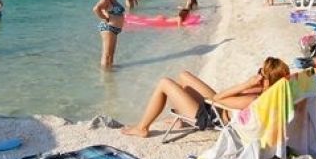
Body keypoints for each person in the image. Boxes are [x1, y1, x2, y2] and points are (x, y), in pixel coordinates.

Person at [121, 58, 290, 137]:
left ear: (267, 81)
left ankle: (142, 128)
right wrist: (253, 86)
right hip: (216, 108)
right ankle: (183, 119)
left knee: (164, 83)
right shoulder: (265, 94)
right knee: (184, 75)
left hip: (209, 116)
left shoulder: (253, 100)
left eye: (260, 72)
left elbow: (217, 98)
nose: (257, 73)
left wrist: (246, 84)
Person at [93, 0, 125, 69]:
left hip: (113, 29)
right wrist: (105, 17)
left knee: (110, 54)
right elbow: (96, 9)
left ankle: (109, 74)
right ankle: (105, 76)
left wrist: (106, 15)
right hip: (109, 28)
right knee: (107, 55)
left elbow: (105, 9)